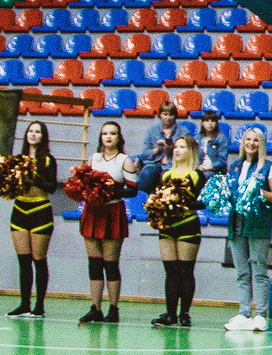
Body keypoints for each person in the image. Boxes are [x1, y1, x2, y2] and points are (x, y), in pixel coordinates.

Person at [78, 121, 138, 324]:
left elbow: (132, 189)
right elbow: (82, 182)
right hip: (93, 210)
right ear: (100, 137)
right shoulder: (93, 158)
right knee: (94, 263)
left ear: (119, 137)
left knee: (110, 263)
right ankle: (95, 308)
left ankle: (113, 308)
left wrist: (110, 189)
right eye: (105, 133)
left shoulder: (124, 160)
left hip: (113, 211)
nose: (109, 137)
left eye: (113, 133)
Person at [224, 125, 272, 332]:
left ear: (261, 144)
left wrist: (258, 191)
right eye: (248, 139)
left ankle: (261, 314)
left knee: (259, 270)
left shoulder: (268, 166)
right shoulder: (235, 166)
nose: (251, 143)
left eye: (255, 140)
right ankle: (244, 312)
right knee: (241, 272)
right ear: (243, 142)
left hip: (257, 223)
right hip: (236, 222)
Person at [150, 135, 205, 328]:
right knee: (170, 272)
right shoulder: (166, 175)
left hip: (187, 224)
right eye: (176, 147)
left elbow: (202, 202)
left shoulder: (196, 174)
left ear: (191, 151)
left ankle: (185, 314)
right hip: (167, 226)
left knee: (185, 271)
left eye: (182, 147)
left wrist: (181, 201)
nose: (178, 150)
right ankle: (170, 313)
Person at [6, 120, 57, 318]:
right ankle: (24, 303)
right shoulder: (18, 159)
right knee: (23, 260)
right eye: (30, 131)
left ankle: (40, 305)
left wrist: (31, 176)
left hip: (40, 210)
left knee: (39, 259)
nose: (33, 134)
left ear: (43, 136)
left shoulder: (47, 159)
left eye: (37, 132)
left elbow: (52, 187)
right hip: (19, 209)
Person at [138, 100, 186, 190]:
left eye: (171, 115)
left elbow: (188, 152)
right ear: (160, 115)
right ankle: (141, 198)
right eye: (165, 114)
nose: (168, 118)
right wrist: (156, 149)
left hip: (173, 165)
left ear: (175, 116)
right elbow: (145, 153)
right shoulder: (152, 131)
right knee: (147, 170)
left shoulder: (183, 131)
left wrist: (172, 148)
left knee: (167, 175)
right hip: (155, 164)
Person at [195, 107, 235, 175]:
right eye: (207, 121)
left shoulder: (222, 138)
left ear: (216, 123)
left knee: (203, 176)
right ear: (202, 123)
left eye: (213, 121)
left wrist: (206, 168)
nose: (210, 123)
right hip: (199, 168)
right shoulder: (197, 138)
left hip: (215, 170)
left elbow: (222, 161)